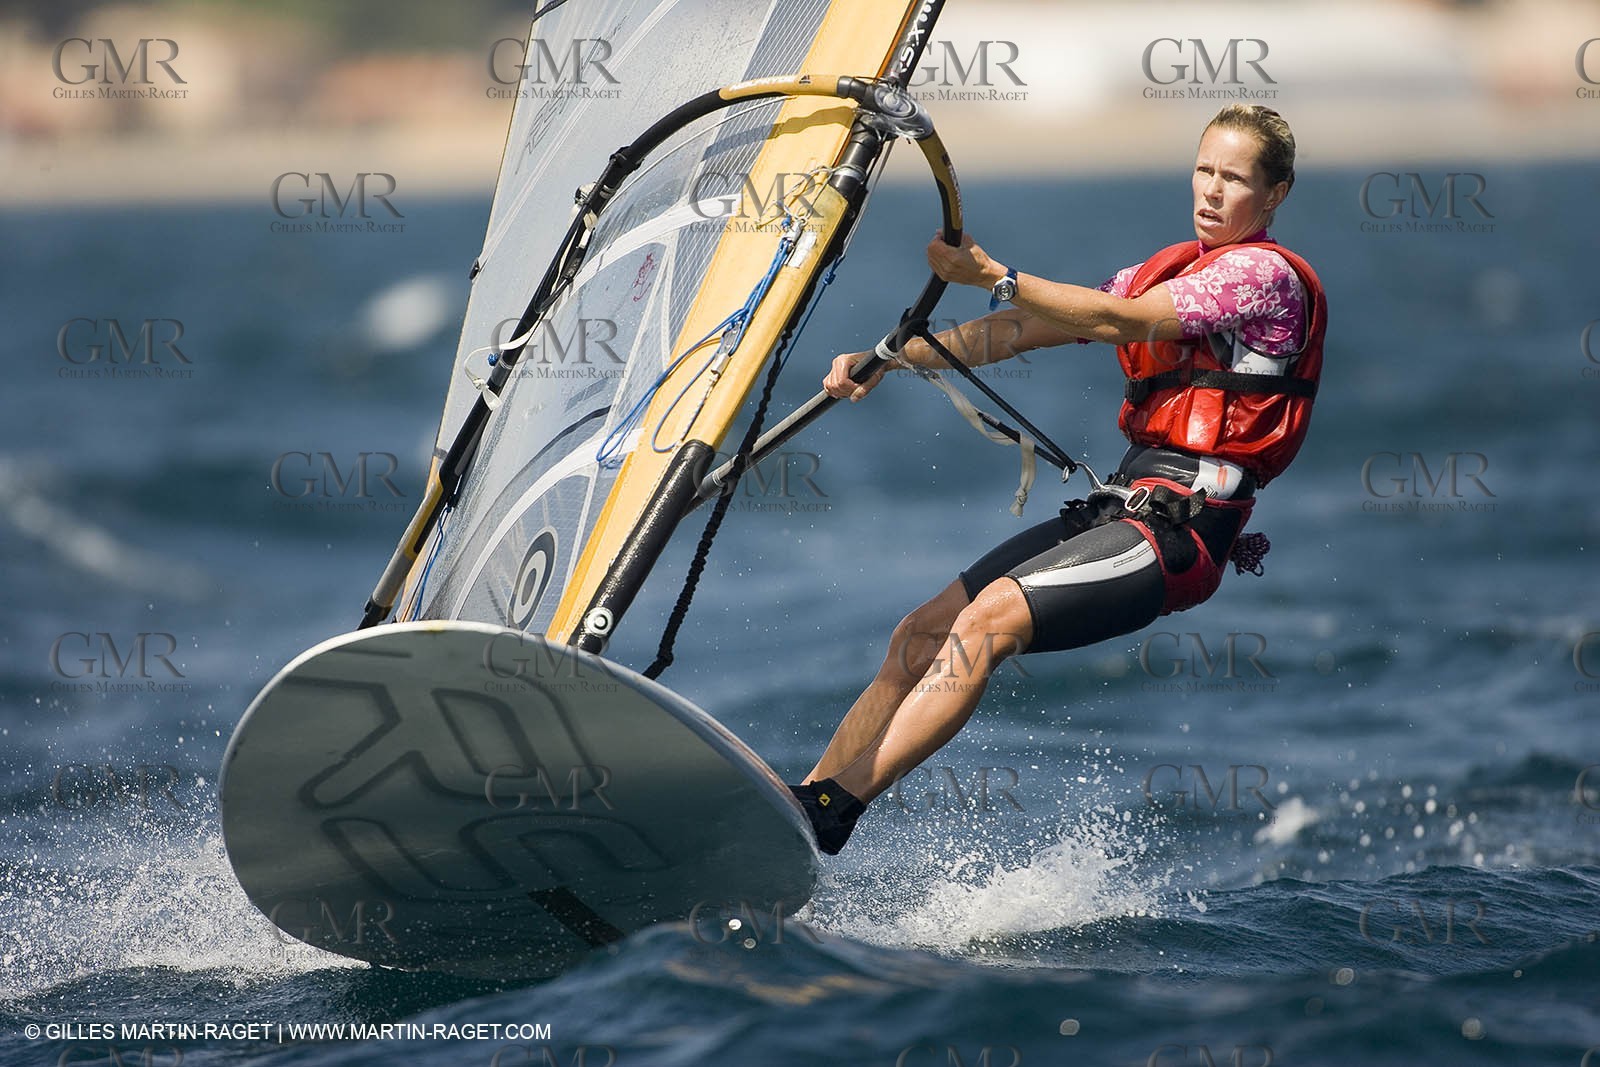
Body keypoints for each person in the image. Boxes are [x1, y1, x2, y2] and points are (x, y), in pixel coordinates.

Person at [788, 104, 1327, 854]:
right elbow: (1017, 331)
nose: (1210, 190)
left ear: (1275, 195)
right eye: (1204, 170)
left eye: (1234, 179)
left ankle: (833, 809)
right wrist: (889, 357)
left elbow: (1121, 322)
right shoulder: (1161, 273)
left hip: (1182, 532)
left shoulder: (1263, 277)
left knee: (986, 625)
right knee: (922, 632)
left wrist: (992, 274)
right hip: (1126, 509)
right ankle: (803, 802)